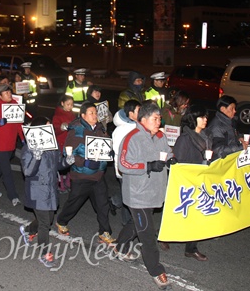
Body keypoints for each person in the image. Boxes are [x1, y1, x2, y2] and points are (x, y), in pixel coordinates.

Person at [115, 100, 176, 289]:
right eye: (155, 118)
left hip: (155, 191)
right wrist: (147, 166)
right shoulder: (132, 137)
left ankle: (120, 247)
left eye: (160, 118)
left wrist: (172, 159)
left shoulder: (160, 136)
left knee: (137, 224)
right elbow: (123, 164)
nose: (159, 122)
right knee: (148, 234)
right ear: (143, 119)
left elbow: (168, 152)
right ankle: (156, 270)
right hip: (138, 194)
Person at [55, 101, 115, 246]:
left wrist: (110, 152)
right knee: (74, 203)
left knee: (103, 204)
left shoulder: (100, 128)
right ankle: (61, 221)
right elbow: (67, 153)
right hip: (81, 176)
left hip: (98, 175)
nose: (95, 115)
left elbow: (105, 146)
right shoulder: (76, 131)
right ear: (83, 115)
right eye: (91, 113)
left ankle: (104, 232)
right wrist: (84, 162)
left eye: (95, 112)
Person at [19, 116, 75, 268]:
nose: (50, 130)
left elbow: (57, 166)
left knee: (48, 219)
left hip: (50, 189)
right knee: (45, 223)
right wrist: (36, 156)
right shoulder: (29, 148)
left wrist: (67, 161)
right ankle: (45, 254)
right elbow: (28, 172)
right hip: (37, 190)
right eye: (47, 127)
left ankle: (28, 230)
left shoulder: (53, 146)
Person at [172, 104, 211, 260]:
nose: (205, 120)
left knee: (195, 215)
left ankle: (190, 248)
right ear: (193, 119)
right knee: (181, 214)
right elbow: (178, 163)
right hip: (188, 183)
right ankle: (161, 236)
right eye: (202, 117)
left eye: (206, 117)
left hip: (201, 181)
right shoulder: (185, 139)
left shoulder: (206, 136)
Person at [111, 99, 142, 227]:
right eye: (138, 111)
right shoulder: (120, 130)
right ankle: (127, 222)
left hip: (137, 168)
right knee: (128, 197)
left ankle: (114, 201)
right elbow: (120, 151)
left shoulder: (139, 126)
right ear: (130, 113)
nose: (141, 113)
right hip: (125, 168)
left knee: (130, 194)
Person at [207, 95, 248, 160]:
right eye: (232, 109)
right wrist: (239, 147)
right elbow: (218, 150)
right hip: (221, 162)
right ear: (223, 109)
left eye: (235, 108)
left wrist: (239, 138)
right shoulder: (217, 127)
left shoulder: (230, 121)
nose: (234, 111)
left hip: (230, 159)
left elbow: (233, 134)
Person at [52, 94, 77, 193]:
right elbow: (55, 130)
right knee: (61, 164)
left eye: (71, 104)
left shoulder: (72, 114)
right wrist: (61, 127)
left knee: (71, 162)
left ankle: (68, 181)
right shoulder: (57, 115)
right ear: (62, 103)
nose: (70, 107)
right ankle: (61, 183)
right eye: (68, 104)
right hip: (61, 142)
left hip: (71, 142)